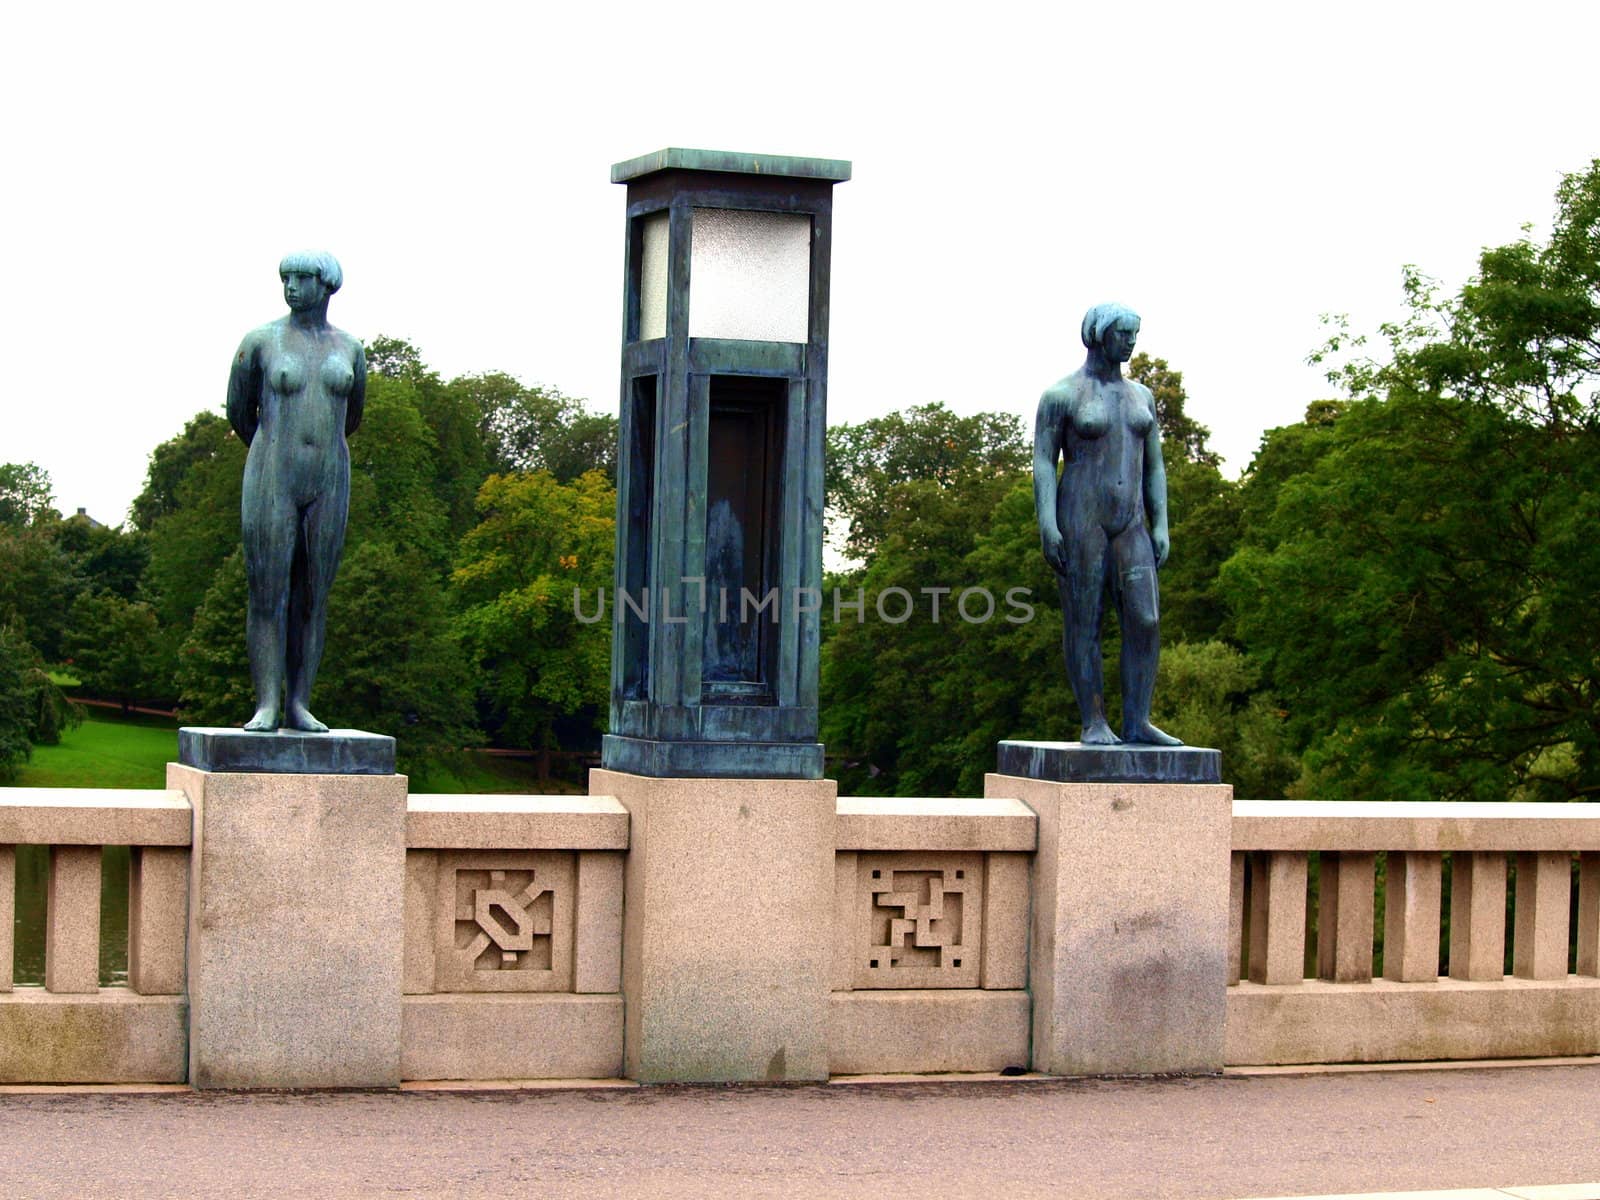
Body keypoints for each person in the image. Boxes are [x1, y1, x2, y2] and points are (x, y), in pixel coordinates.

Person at [226, 251, 366, 732]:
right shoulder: (261, 342)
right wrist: (274, 450)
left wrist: (318, 451)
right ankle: (267, 701)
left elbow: (352, 417)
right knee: (268, 592)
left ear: (326, 285)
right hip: (272, 475)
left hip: (329, 478)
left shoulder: (349, 348)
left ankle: (298, 703)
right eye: (286, 277)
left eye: (302, 278)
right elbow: (240, 411)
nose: (291, 286)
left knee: (314, 595)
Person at [1033, 302, 1180, 747]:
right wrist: (1047, 522)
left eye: (1135, 333)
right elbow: (1043, 461)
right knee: (1085, 621)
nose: (1131, 342)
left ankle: (1137, 721)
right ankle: (1094, 721)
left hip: (1131, 519)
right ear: (1099, 335)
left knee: (1146, 619)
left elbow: (1154, 466)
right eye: (1123, 333)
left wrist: (1162, 524)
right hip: (1082, 517)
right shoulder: (1062, 395)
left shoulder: (1142, 397)